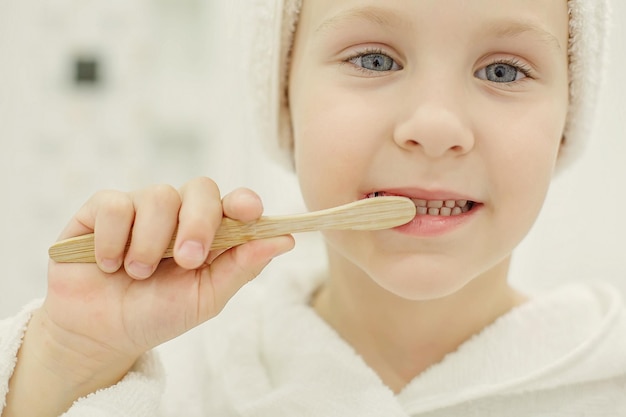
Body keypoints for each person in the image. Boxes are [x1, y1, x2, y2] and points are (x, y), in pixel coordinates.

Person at [2, 0, 625, 415]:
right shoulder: (183, 376)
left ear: (568, 122)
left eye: (505, 72)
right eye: (375, 59)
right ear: (282, 101)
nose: (435, 126)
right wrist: (67, 364)